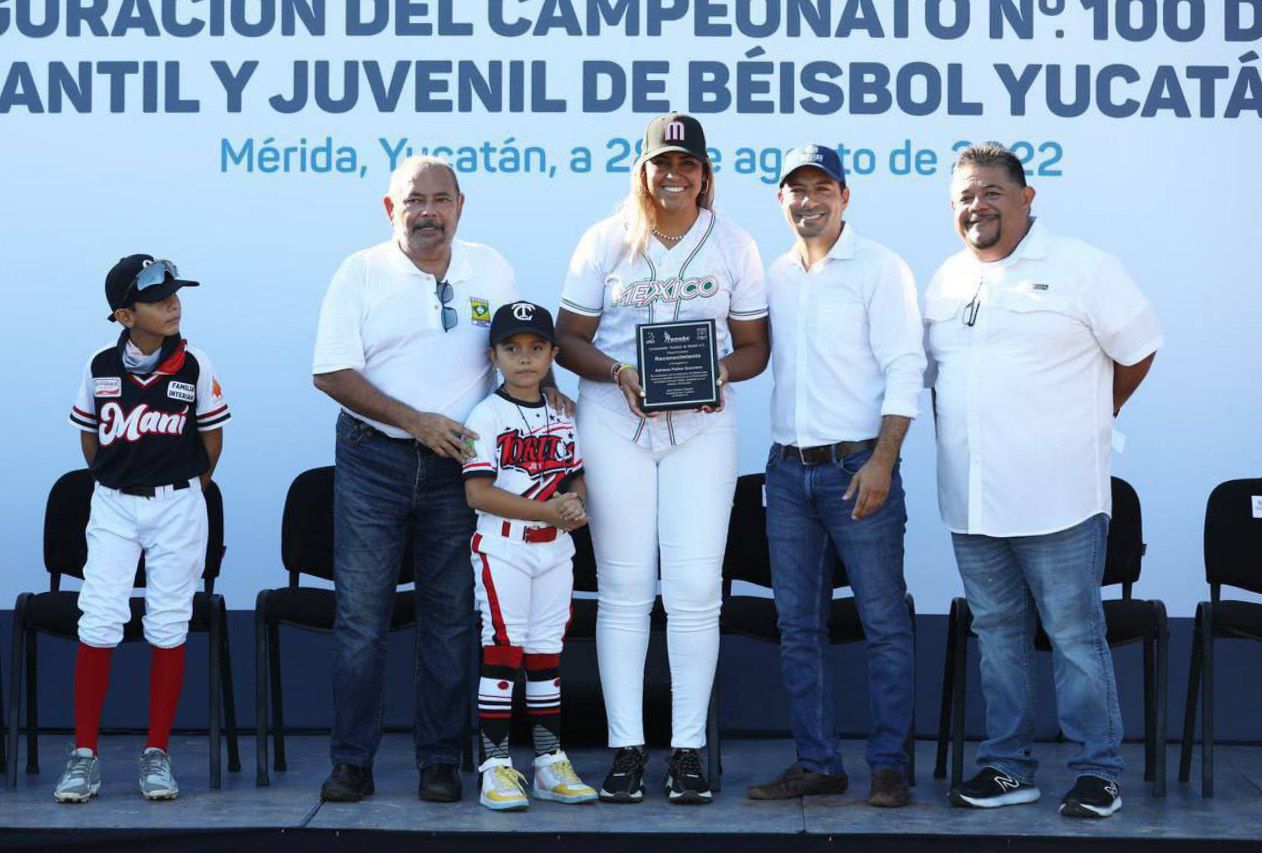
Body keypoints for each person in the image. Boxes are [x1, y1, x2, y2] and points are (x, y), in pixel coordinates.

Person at [312, 156, 568, 803]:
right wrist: (415, 421)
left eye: (440, 199)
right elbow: (331, 372)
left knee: (452, 618)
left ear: (460, 204)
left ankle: (439, 761)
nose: (427, 211)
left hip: (461, 467)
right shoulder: (360, 271)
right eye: (413, 200)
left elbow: (516, 354)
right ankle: (351, 762)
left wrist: (553, 405)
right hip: (376, 459)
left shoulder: (493, 267)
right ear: (389, 208)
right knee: (363, 618)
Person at [924, 144, 1162, 818]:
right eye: (965, 196)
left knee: (1073, 633)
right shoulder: (944, 280)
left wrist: (1099, 409)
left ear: (1027, 198)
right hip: (971, 500)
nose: (978, 206)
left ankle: (1098, 771)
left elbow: (1139, 348)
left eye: (992, 192)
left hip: (1059, 496)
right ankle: (1007, 767)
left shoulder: (1083, 266)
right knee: (997, 635)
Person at [556, 113, 770, 804]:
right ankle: (625, 749)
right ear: (642, 169)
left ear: (706, 172)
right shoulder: (605, 238)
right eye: (661, 162)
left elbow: (755, 348)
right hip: (616, 422)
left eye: (687, 163)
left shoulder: (733, 244)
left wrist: (714, 373)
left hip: (702, 428)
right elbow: (567, 340)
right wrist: (621, 370)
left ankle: (686, 749)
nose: (673, 174)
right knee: (622, 589)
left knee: (694, 590)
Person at [747, 145, 925, 808]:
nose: (809, 200)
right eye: (796, 189)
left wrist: (882, 459)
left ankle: (888, 765)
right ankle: (818, 762)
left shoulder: (880, 267)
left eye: (822, 188)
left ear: (845, 197)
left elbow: (907, 367)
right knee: (798, 626)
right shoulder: (774, 274)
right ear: (781, 200)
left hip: (858, 468)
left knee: (882, 620)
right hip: (788, 472)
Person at [58, 255, 230, 802]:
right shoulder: (99, 365)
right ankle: (84, 754)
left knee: (168, 621)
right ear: (125, 316)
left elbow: (211, 442)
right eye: (158, 300)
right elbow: (90, 440)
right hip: (112, 504)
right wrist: (115, 480)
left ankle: (157, 751)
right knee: (100, 617)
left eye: (176, 295)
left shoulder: (195, 363)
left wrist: (186, 490)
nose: (173, 304)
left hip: (179, 504)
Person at [463, 301, 597, 811]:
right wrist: (548, 513)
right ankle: (495, 767)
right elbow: (478, 493)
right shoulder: (487, 413)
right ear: (494, 354)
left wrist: (576, 503)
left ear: (552, 354)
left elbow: (575, 477)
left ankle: (547, 762)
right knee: (502, 651)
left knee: (546, 655)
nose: (525, 358)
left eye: (536, 348)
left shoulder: (564, 412)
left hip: (555, 550)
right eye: (512, 349)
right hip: (504, 546)